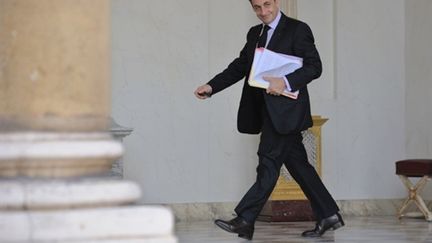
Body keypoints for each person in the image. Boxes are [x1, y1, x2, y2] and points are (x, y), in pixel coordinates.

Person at [194, 0, 343, 240]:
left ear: (277, 1)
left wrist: (284, 81)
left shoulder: (298, 29)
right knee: (299, 166)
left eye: (267, 4)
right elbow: (241, 66)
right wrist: (212, 86)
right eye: (256, 7)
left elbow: (315, 67)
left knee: (268, 163)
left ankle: (245, 219)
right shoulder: (255, 33)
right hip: (266, 113)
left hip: (287, 115)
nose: (263, 12)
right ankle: (329, 214)